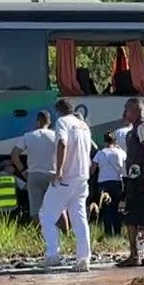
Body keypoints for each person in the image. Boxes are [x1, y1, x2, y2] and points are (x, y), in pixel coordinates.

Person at [44, 99, 93, 271]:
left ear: (58, 111)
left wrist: (58, 171)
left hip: (66, 178)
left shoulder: (62, 122)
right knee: (79, 218)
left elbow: (62, 144)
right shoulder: (83, 125)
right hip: (82, 178)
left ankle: (52, 254)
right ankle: (83, 259)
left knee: (47, 216)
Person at [118, 99, 144, 266]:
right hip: (134, 179)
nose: (124, 114)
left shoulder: (143, 127)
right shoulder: (134, 129)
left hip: (142, 179)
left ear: (134, 110)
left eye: (126, 110)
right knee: (131, 218)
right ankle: (135, 255)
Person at [12, 112, 60, 220]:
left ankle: (37, 235)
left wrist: (23, 171)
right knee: (56, 209)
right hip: (52, 175)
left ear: (37, 121)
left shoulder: (28, 136)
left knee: (36, 211)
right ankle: (60, 234)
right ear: (50, 122)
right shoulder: (56, 136)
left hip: (34, 175)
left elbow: (14, 154)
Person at [92, 127, 126, 235]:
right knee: (116, 208)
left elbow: (92, 170)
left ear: (105, 141)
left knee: (106, 209)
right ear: (115, 140)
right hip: (117, 182)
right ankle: (117, 232)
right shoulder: (121, 153)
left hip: (103, 183)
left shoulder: (100, 153)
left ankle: (107, 233)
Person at [0, 150, 26, 221]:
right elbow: (26, 187)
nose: (14, 168)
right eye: (12, 166)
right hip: (13, 210)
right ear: (5, 167)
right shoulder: (13, 178)